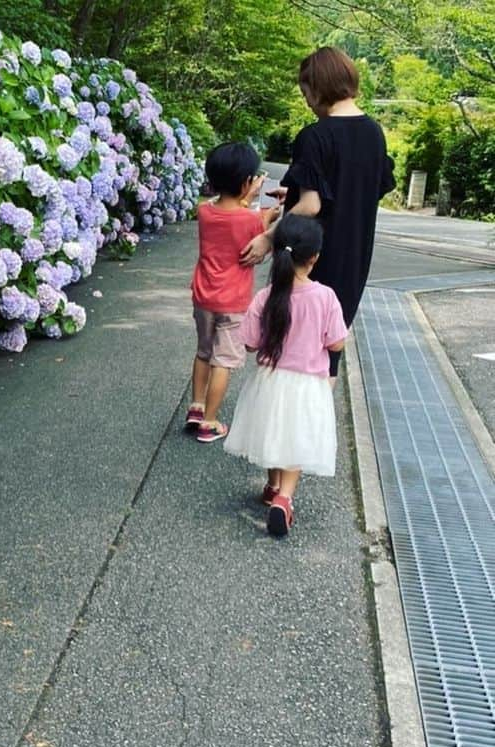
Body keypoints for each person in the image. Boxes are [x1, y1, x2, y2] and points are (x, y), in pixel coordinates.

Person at [241, 47, 395, 383]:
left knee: (290, 352)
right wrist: (293, 192)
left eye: (306, 92)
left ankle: (286, 428)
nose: (307, 101)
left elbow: (312, 207)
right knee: (328, 353)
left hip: (312, 256)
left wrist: (268, 238)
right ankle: (317, 430)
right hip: (355, 256)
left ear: (320, 86)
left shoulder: (315, 135)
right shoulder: (374, 133)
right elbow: (358, 187)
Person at [224, 215, 348, 537]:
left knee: (273, 432)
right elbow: (336, 341)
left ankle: (272, 485)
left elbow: (250, 343)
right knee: (297, 440)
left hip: (270, 380)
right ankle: (284, 498)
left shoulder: (266, 296)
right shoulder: (325, 297)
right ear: (315, 257)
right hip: (307, 385)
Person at [185, 142, 275, 443]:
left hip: (204, 297)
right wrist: (266, 211)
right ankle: (210, 423)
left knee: (203, 351)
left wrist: (249, 198)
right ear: (246, 182)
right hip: (233, 302)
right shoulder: (250, 219)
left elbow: (231, 215)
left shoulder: (204, 211)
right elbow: (257, 239)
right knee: (223, 360)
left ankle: (196, 407)